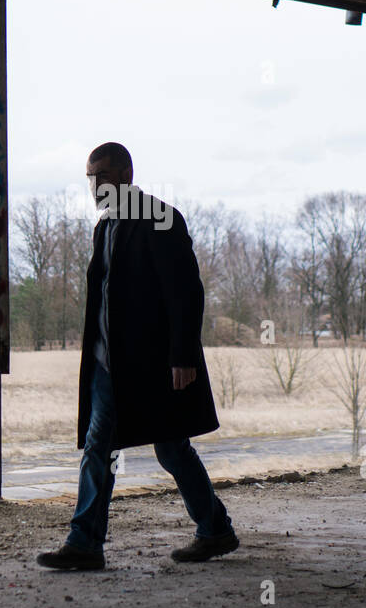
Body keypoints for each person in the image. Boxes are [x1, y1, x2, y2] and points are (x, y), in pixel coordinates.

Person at [37, 142, 239, 571]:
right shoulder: (104, 227)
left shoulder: (159, 218)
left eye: (103, 176)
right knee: (103, 447)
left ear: (126, 175)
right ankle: (91, 541)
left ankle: (208, 530)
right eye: (91, 177)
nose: (95, 186)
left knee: (169, 449)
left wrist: (182, 356)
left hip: (149, 364)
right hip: (109, 365)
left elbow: (185, 293)